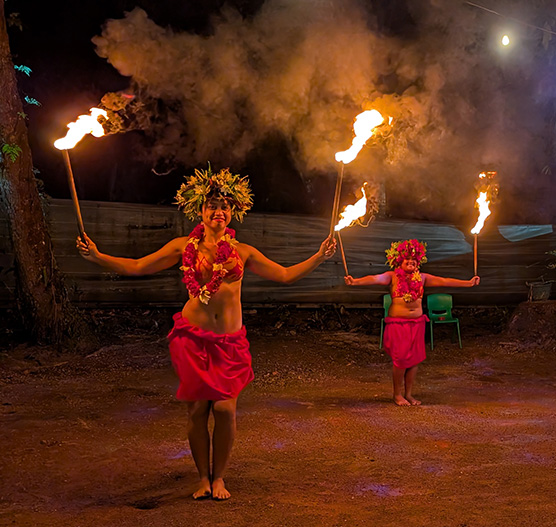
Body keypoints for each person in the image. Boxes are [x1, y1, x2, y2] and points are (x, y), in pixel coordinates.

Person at [76, 166, 336, 500]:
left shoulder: (243, 252)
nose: (219, 211)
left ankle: (220, 478)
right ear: (200, 210)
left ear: (233, 213)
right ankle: (202, 478)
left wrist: (318, 257)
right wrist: (97, 257)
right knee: (198, 410)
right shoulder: (182, 246)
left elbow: (285, 275)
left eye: (226, 205)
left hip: (229, 342)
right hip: (192, 338)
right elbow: (138, 266)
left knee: (226, 410)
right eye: (212, 204)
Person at [344, 239, 479, 406]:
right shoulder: (392, 276)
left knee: (414, 361)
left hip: (417, 324)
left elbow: (444, 281)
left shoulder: (422, 278)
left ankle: (408, 394)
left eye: (414, 260)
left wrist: (468, 283)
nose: (410, 262)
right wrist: (355, 281)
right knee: (400, 360)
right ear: (399, 261)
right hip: (398, 325)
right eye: (407, 260)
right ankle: (397, 395)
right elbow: (375, 278)